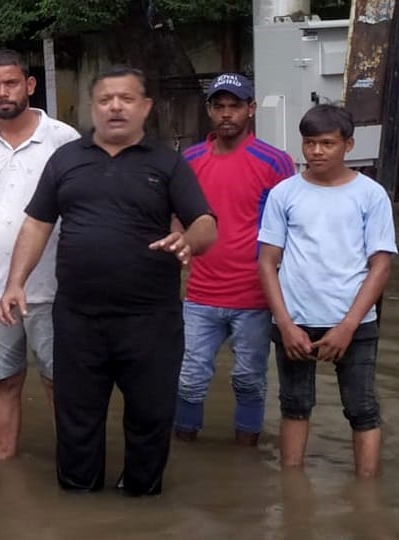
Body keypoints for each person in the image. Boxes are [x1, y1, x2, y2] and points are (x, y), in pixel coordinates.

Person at [0, 65, 216, 496]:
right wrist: (15, 282)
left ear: (146, 107)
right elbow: (36, 225)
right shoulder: (66, 160)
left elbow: (206, 224)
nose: (115, 107)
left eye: (126, 98)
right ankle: (80, 499)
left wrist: (188, 240)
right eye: (105, 99)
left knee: (151, 416)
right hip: (80, 318)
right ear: (93, 107)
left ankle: (140, 496)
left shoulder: (167, 163)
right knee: (76, 417)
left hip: (151, 319)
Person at [0, 49, 80, 460]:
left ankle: (73, 463)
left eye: (11, 83)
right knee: (5, 381)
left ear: (29, 85)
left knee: (59, 381)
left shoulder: (63, 139)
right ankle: (5, 466)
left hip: (53, 287)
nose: (3, 93)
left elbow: (78, 209)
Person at [257, 104, 397, 478]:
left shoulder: (371, 195)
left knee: (362, 409)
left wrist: (348, 326)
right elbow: (267, 262)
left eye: (327, 143)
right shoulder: (284, 193)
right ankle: (292, 493)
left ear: (348, 145)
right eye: (309, 143)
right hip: (295, 321)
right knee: (294, 405)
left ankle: (366, 494)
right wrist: (285, 324)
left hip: (354, 323)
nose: (316, 152)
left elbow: (381, 265)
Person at [174, 73, 294, 446]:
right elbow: (174, 217)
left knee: (249, 379)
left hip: (254, 297)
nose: (227, 114)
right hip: (199, 294)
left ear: (251, 109)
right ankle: (183, 448)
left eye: (235, 106)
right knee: (189, 377)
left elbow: (292, 225)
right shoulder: (189, 160)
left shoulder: (275, 162)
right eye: (219, 106)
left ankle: (248, 456)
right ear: (209, 110)